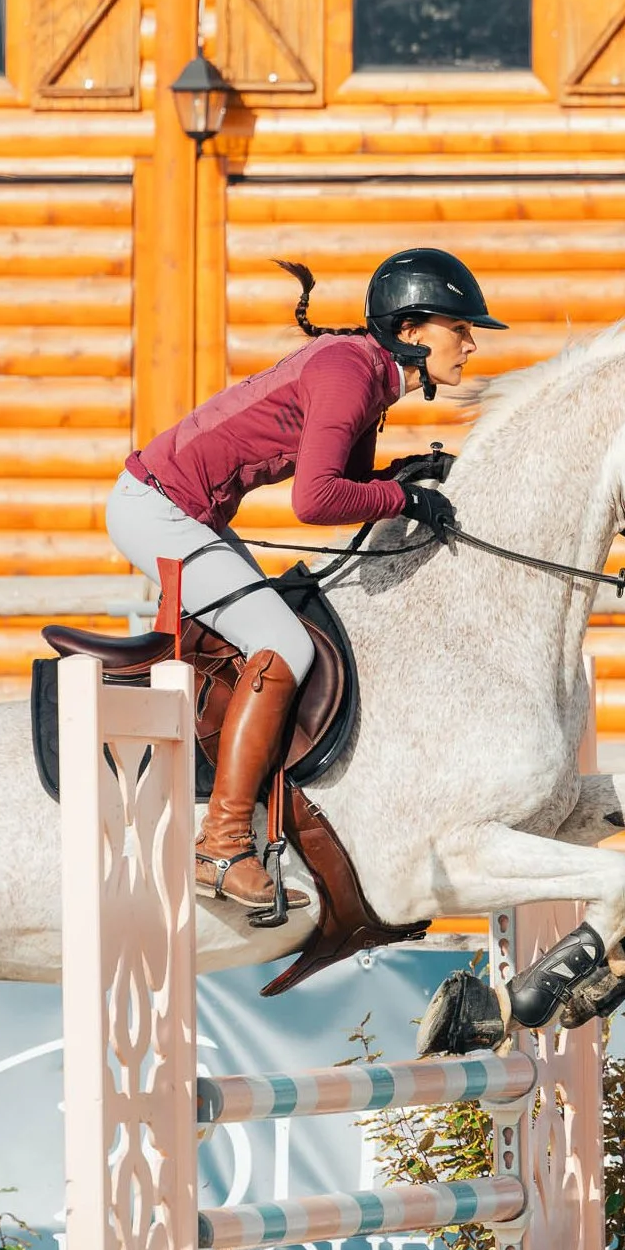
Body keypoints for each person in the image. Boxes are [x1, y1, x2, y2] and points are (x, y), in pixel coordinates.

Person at [107, 247, 506, 911]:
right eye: (457, 327)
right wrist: (404, 502)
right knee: (287, 646)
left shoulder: (367, 374)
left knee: (270, 635)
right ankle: (223, 842)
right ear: (410, 330)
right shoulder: (352, 372)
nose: (469, 343)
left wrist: (400, 475)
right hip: (158, 510)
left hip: (177, 508)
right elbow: (316, 501)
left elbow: (344, 484)